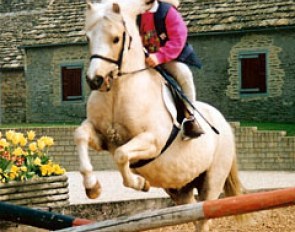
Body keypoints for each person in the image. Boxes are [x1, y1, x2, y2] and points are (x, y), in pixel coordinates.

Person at [138, 0, 204, 139]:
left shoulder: (167, 12)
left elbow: (177, 39)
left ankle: (190, 119)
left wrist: (159, 56)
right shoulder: (136, 13)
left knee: (184, 74)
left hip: (167, 59)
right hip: (142, 59)